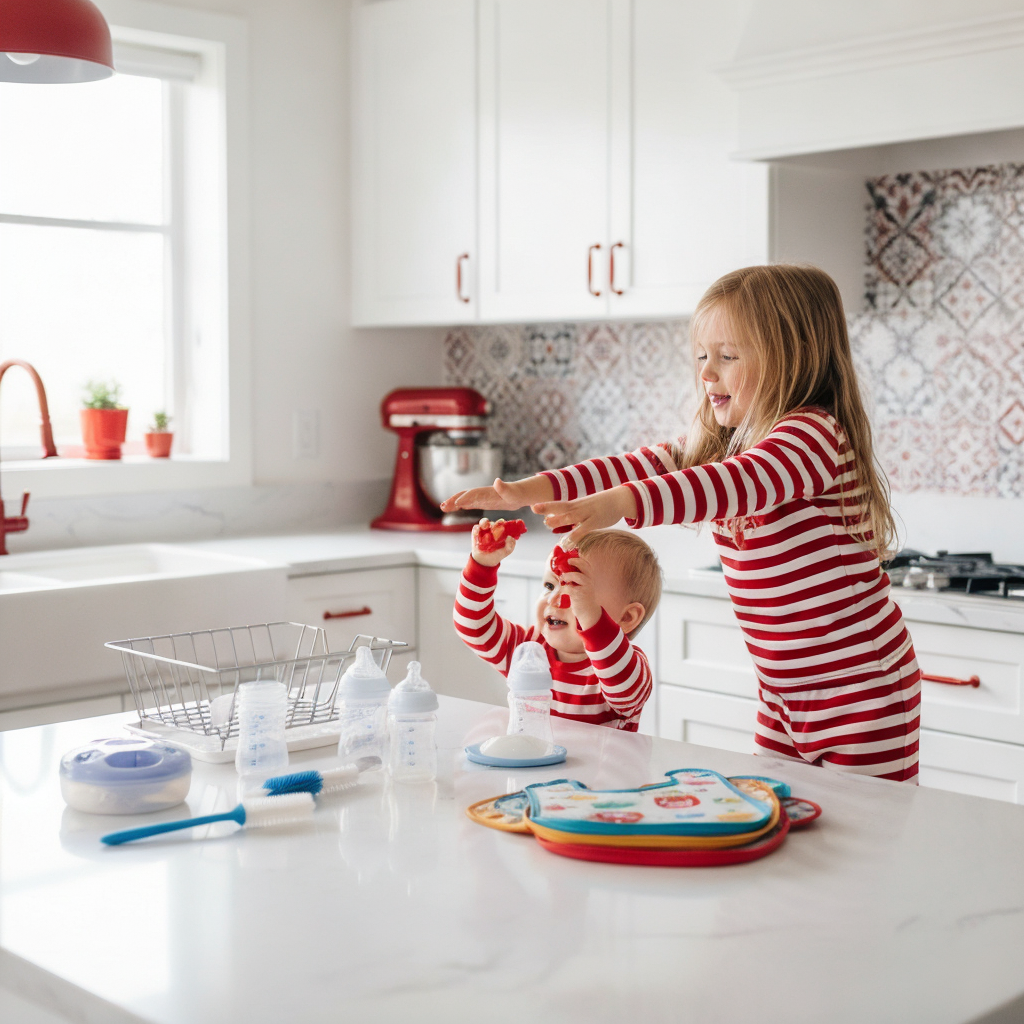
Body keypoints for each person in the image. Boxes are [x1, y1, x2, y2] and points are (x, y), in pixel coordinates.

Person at [442, 264, 921, 782]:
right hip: (784, 691)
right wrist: (529, 489)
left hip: (860, 688)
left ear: (791, 356)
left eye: (727, 357)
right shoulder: (730, 441)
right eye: (702, 357)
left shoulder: (813, 437)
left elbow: (730, 483)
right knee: (787, 819)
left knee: (864, 834)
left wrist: (617, 504)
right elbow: (637, 465)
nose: (706, 374)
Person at [454, 522, 662, 731]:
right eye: (550, 586)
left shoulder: (626, 670)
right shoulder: (528, 650)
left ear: (626, 617)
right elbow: (474, 628)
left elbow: (621, 681)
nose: (554, 599)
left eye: (576, 591)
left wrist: (590, 617)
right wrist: (481, 566)